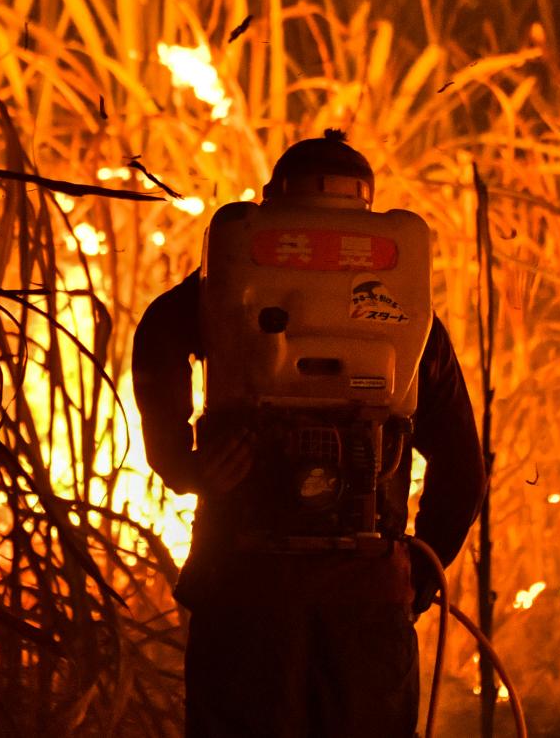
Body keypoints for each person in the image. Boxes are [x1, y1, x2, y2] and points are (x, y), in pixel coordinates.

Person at [132, 132, 485, 738]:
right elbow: (464, 472)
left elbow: (159, 352)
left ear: (272, 204)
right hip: (366, 592)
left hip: (242, 582)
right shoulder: (410, 319)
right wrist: (413, 578)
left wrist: (188, 467)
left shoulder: (210, 295)